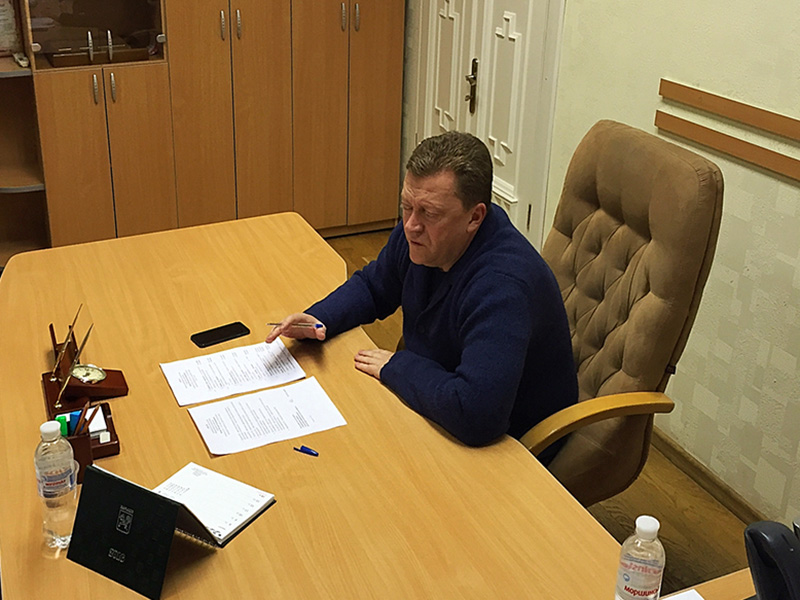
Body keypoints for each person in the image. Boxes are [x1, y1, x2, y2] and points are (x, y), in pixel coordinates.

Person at [266, 131, 577, 461]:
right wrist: (318, 320)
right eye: (406, 206)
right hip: (438, 397)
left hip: (510, 447)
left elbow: (477, 414)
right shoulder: (423, 233)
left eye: (429, 213)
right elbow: (374, 286)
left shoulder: (503, 286)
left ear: (475, 217)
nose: (411, 225)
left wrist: (398, 367)